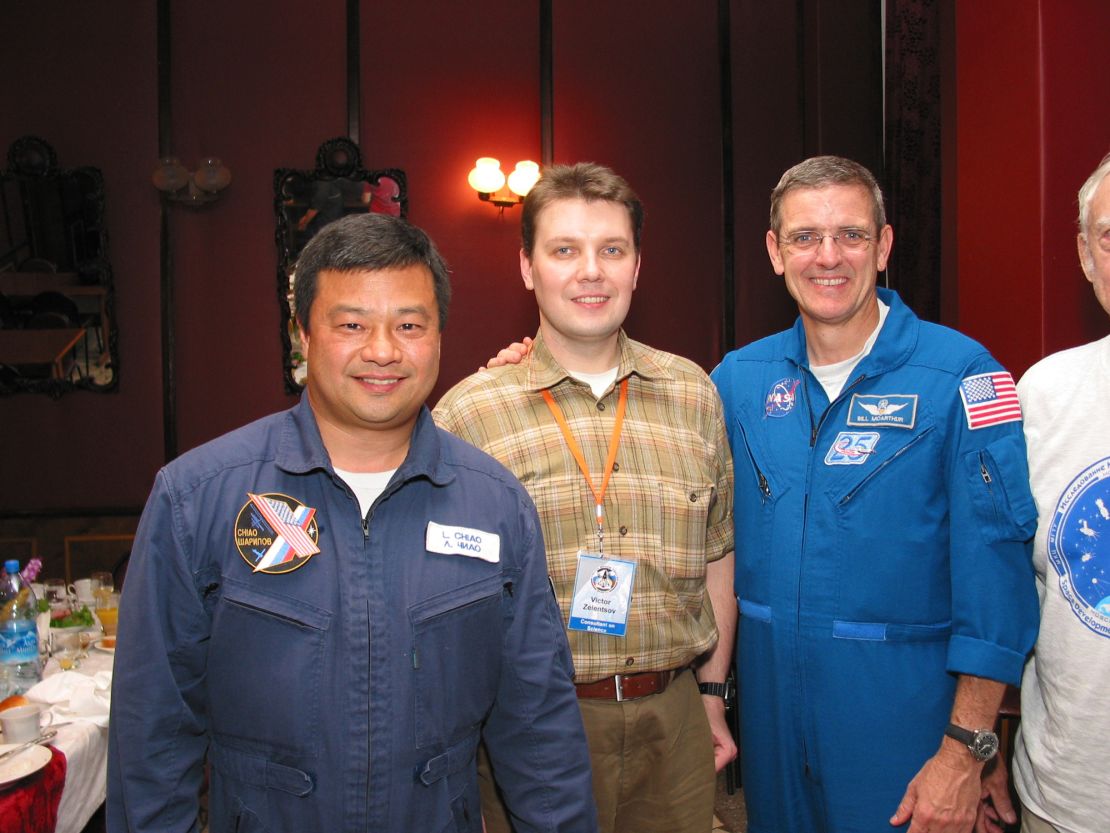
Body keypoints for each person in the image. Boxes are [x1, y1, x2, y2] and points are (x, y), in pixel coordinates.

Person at [107, 213, 597, 833]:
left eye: (410, 325)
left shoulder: (495, 505)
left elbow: (539, 728)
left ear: (440, 339)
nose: (384, 350)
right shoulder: (198, 498)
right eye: (352, 325)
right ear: (303, 337)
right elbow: (151, 733)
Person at [710, 155, 1040, 833]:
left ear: (884, 245)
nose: (828, 257)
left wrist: (968, 750)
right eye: (805, 237)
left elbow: (997, 588)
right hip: (774, 738)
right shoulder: (737, 382)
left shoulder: (963, 377)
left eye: (852, 235)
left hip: (905, 738)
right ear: (775, 252)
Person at [433, 162, 736, 833]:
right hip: (529, 721)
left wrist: (712, 696)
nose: (590, 271)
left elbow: (719, 556)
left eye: (612, 250)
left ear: (636, 266)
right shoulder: (468, 415)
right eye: (565, 250)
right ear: (527, 267)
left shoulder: (694, 394)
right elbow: (433, 603)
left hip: (675, 719)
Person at [976, 152, 1110, 833]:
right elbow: (1009, 588)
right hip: (1067, 797)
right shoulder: (1044, 395)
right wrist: (989, 740)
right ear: (1085, 256)